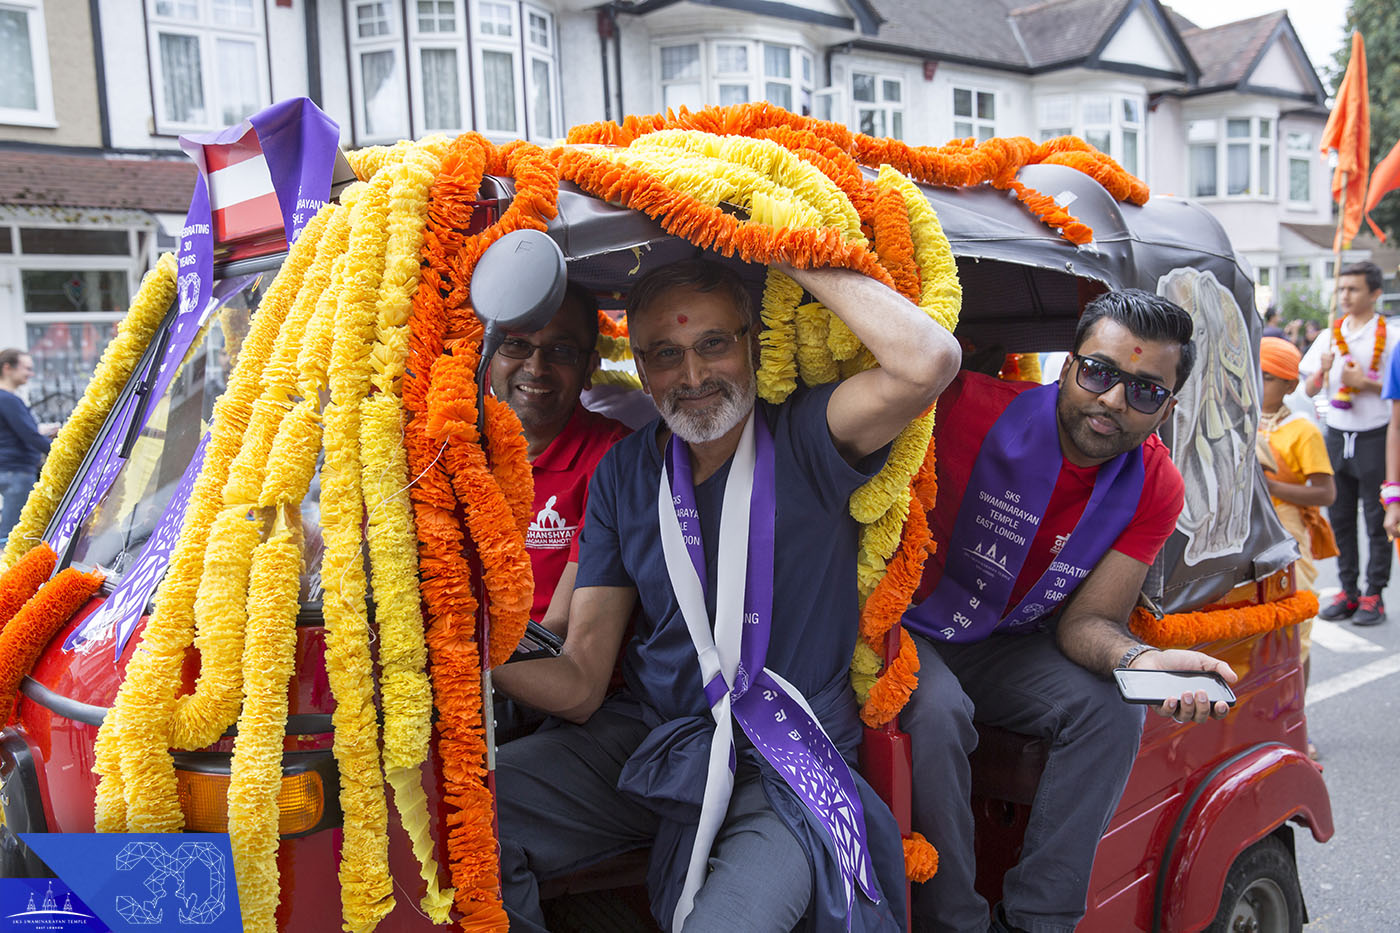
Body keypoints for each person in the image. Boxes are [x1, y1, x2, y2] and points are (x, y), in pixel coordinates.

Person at [492, 258, 961, 932]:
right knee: (472, 810)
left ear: (753, 343)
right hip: (657, 739)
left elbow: (927, 361)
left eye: (713, 344)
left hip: (784, 763)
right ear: (641, 366)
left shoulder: (806, 433)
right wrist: (453, 648)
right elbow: (580, 681)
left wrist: (789, 251)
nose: (691, 376)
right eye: (664, 354)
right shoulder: (627, 469)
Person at [898, 289, 1236, 933]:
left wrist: (1143, 658)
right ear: (1067, 365)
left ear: (1167, 407)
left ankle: (1037, 921)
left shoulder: (1155, 485)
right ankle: (955, 922)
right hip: (906, 628)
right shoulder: (960, 407)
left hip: (1001, 644)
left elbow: (1087, 624)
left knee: (1109, 706)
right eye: (1099, 372)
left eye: (1144, 390)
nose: (1112, 400)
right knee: (936, 713)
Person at [489, 282, 631, 629]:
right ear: (489, 356)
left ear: (589, 369)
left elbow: (561, 627)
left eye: (561, 350)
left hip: (545, 664)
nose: (536, 367)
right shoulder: (454, 444)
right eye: (517, 344)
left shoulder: (614, 458)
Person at [1301, 261, 1394, 625]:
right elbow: (1307, 388)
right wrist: (1322, 371)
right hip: (1338, 436)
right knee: (1340, 518)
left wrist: (1365, 382)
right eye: (1341, 289)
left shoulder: (1391, 337)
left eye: (1353, 289)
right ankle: (1348, 591)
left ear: (1374, 293)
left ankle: (1375, 594)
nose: (1345, 296)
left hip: (1376, 436)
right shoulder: (1328, 335)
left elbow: (1395, 392)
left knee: (1376, 519)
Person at [1257, 337, 1335, 758]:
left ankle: (1296, 724)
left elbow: (1325, 493)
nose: (1258, 382)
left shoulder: (1302, 429)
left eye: (1268, 377)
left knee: (1295, 634)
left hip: (1288, 539)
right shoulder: (1240, 419)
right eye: (1254, 372)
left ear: (1289, 385)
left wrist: (1270, 486)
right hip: (1250, 543)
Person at [0, 349, 57, 543]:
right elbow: (28, 434)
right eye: (27, 368)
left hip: (8, 469)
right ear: (7, 368)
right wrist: (60, 452)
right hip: (16, 471)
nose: (31, 373)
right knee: (12, 536)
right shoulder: (8, 399)